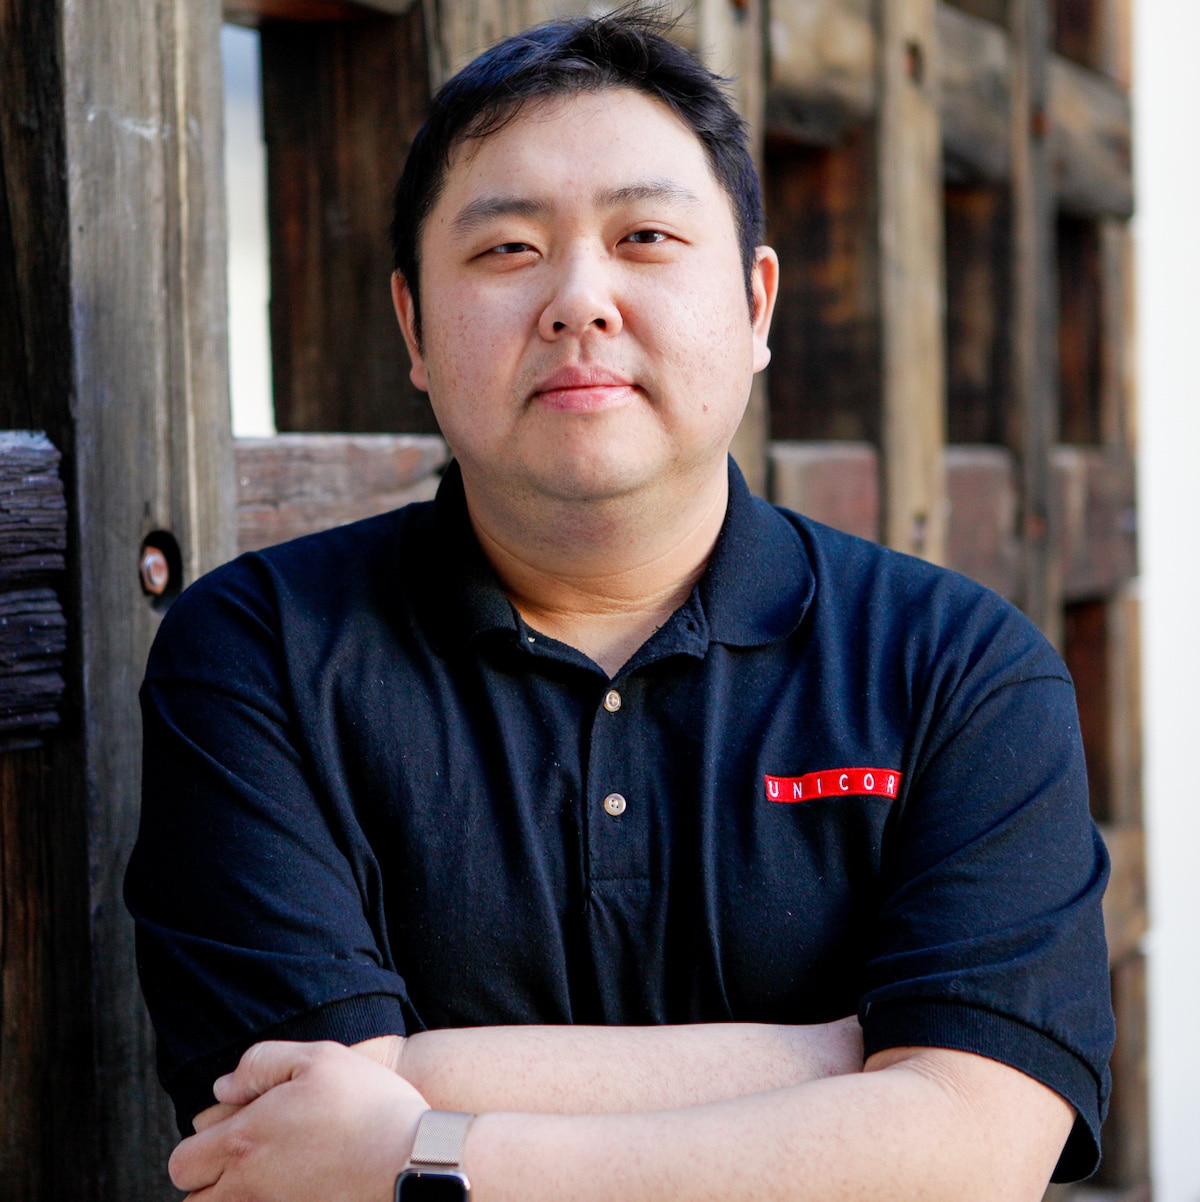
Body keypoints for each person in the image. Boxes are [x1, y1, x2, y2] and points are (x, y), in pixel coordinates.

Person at [125, 12, 1113, 1201]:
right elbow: (282, 1134)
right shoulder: (260, 653)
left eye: (645, 236)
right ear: (414, 327)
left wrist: (416, 1133)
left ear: (756, 304)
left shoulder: (958, 668)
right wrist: (852, 1059)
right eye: (508, 249)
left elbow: (981, 1148)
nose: (579, 300)